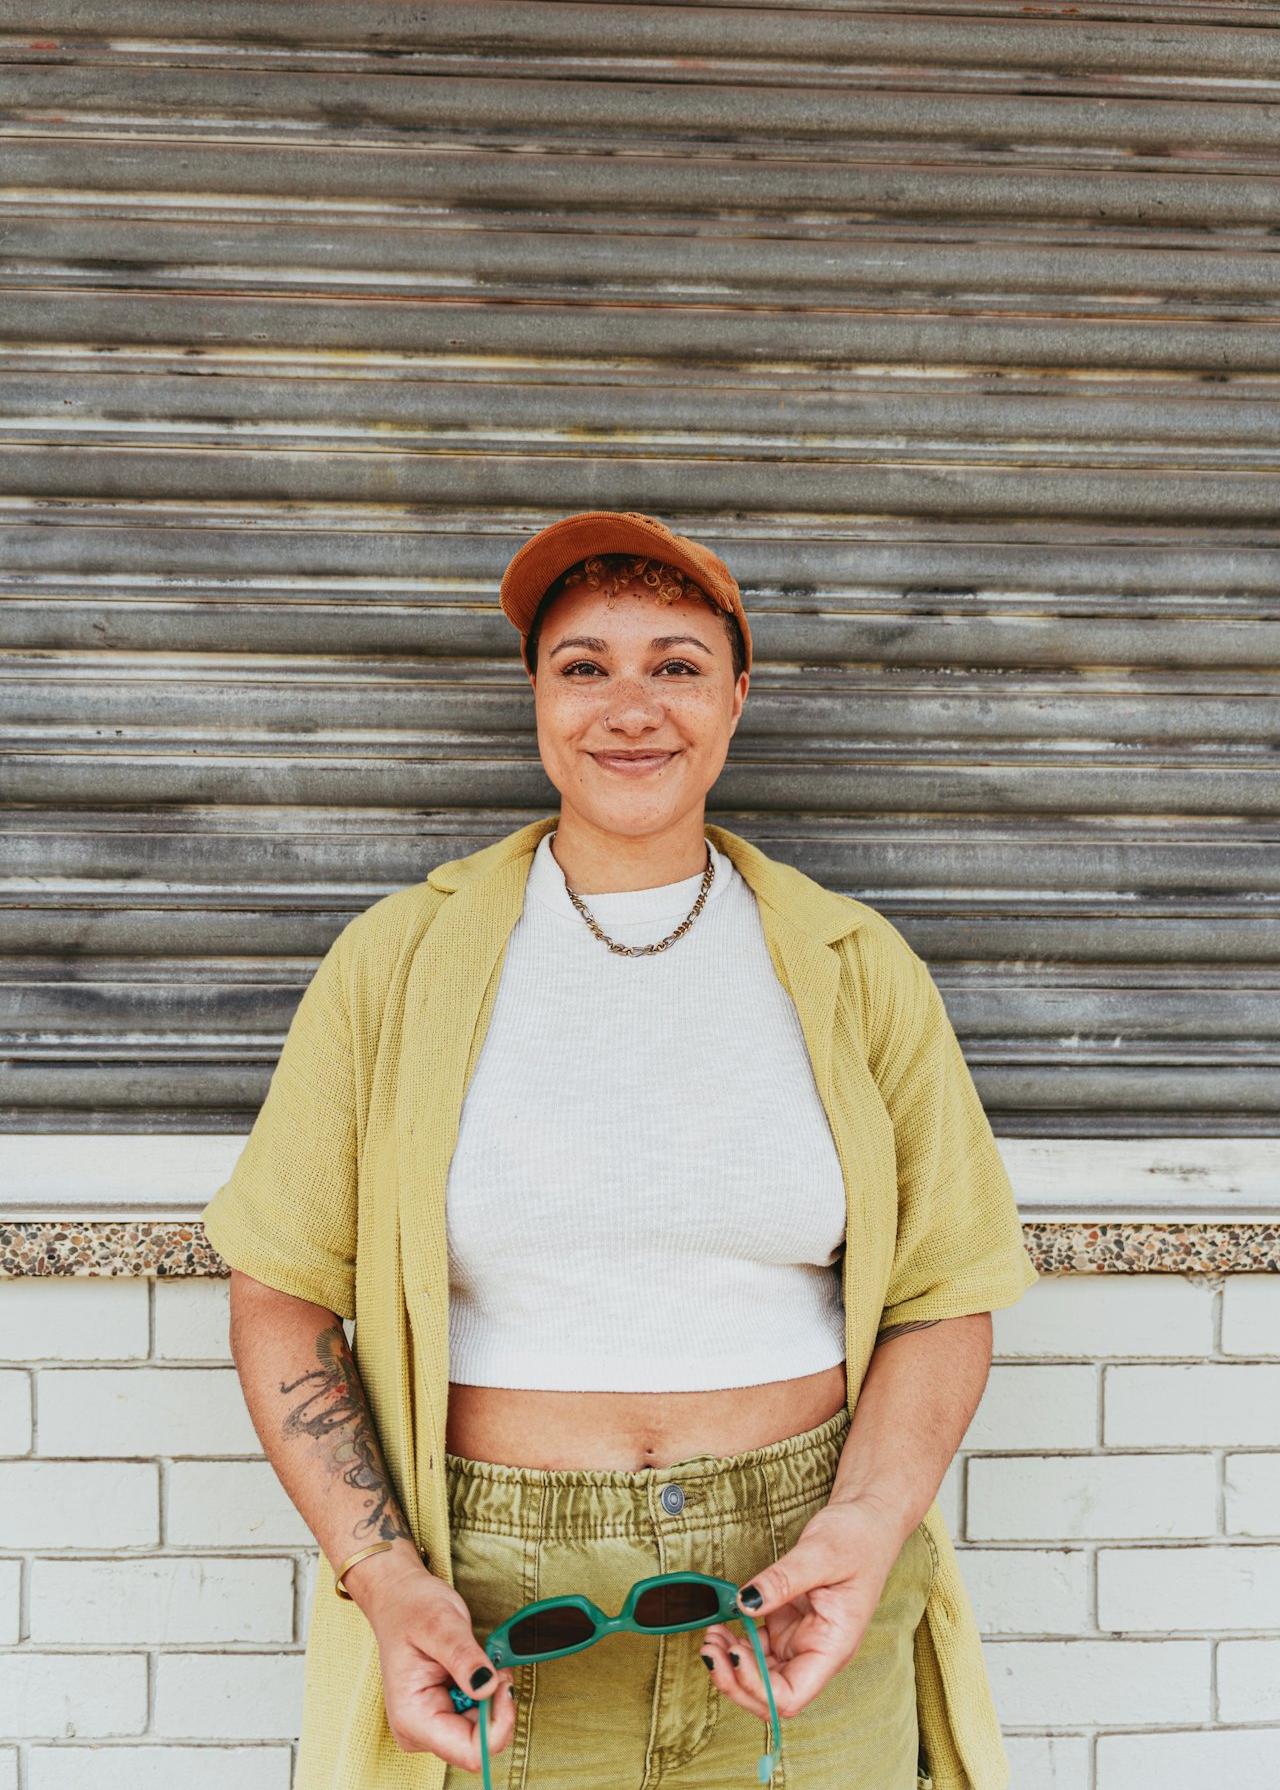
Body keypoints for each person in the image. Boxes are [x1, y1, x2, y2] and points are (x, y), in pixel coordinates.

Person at [202, 508, 1037, 1790]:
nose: (629, 707)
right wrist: (382, 1574)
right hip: (491, 1603)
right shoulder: (396, 962)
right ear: (536, 697)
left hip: (797, 1579)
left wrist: (867, 1530)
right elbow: (282, 1290)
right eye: (583, 665)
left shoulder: (851, 963)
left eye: (677, 665)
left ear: (737, 696)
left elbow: (942, 1291)